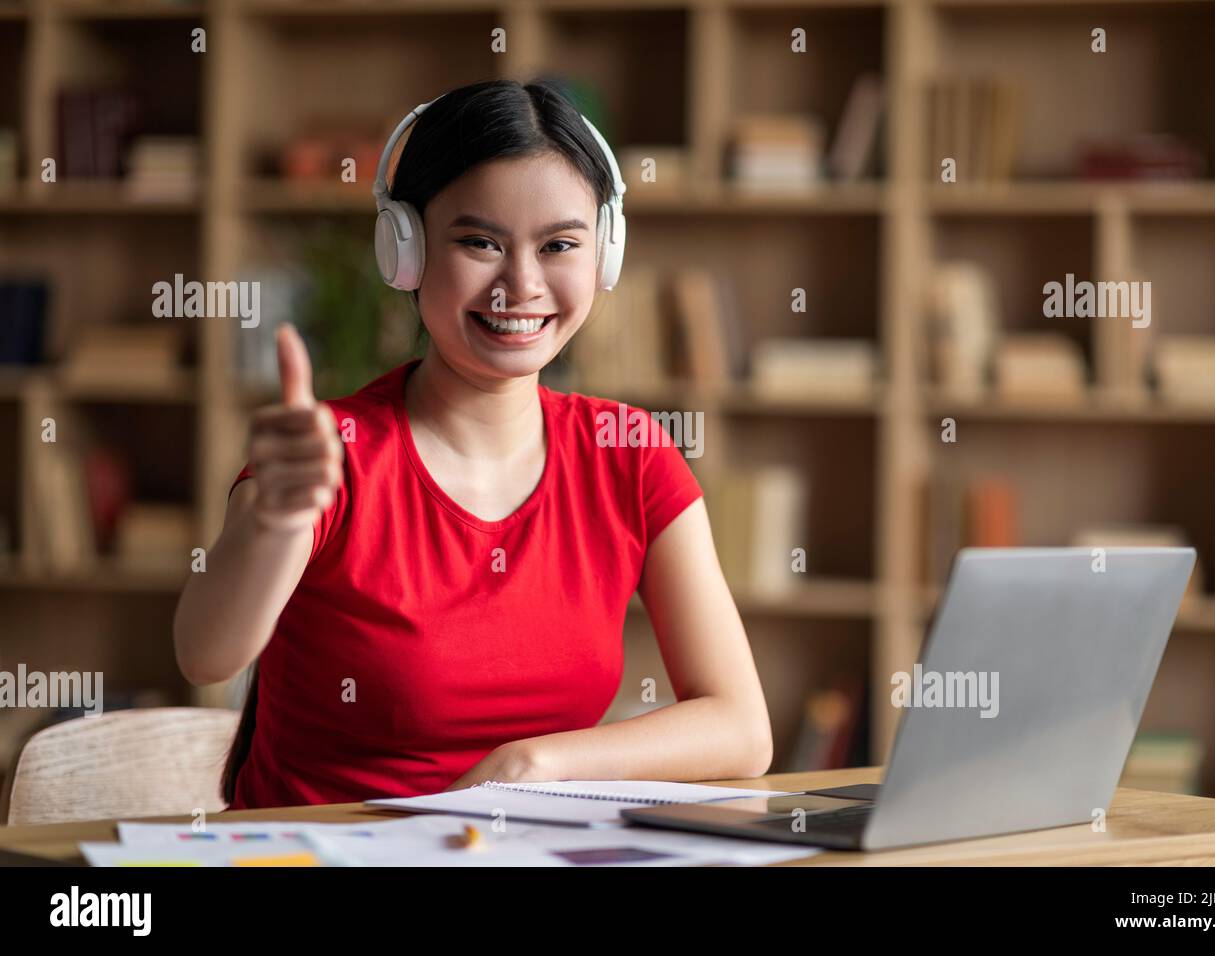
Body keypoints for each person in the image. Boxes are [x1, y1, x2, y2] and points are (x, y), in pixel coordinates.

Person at [173, 78, 772, 810]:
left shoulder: (631, 454)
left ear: (603, 255)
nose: (520, 284)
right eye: (479, 242)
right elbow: (205, 655)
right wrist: (275, 521)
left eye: (559, 245)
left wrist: (535, 764)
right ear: (407, 249)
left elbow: (741, 728)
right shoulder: (333, 453)